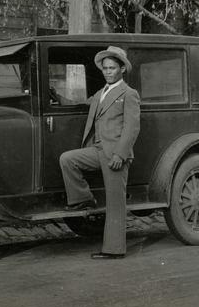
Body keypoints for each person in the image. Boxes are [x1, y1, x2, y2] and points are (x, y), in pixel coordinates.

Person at [59, 46, 141, 260]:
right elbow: (80, 104)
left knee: (115, 202)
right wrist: (58, 97)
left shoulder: (129, 94)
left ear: (122, 68)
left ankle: (114, 250)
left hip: (115, 154)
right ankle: (84, 199)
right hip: (97, 150)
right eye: (105, 68)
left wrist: (120, 155)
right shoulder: (100, 94)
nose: (107, 71)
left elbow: (132, 128)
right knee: (68, 159)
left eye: (112, 68)